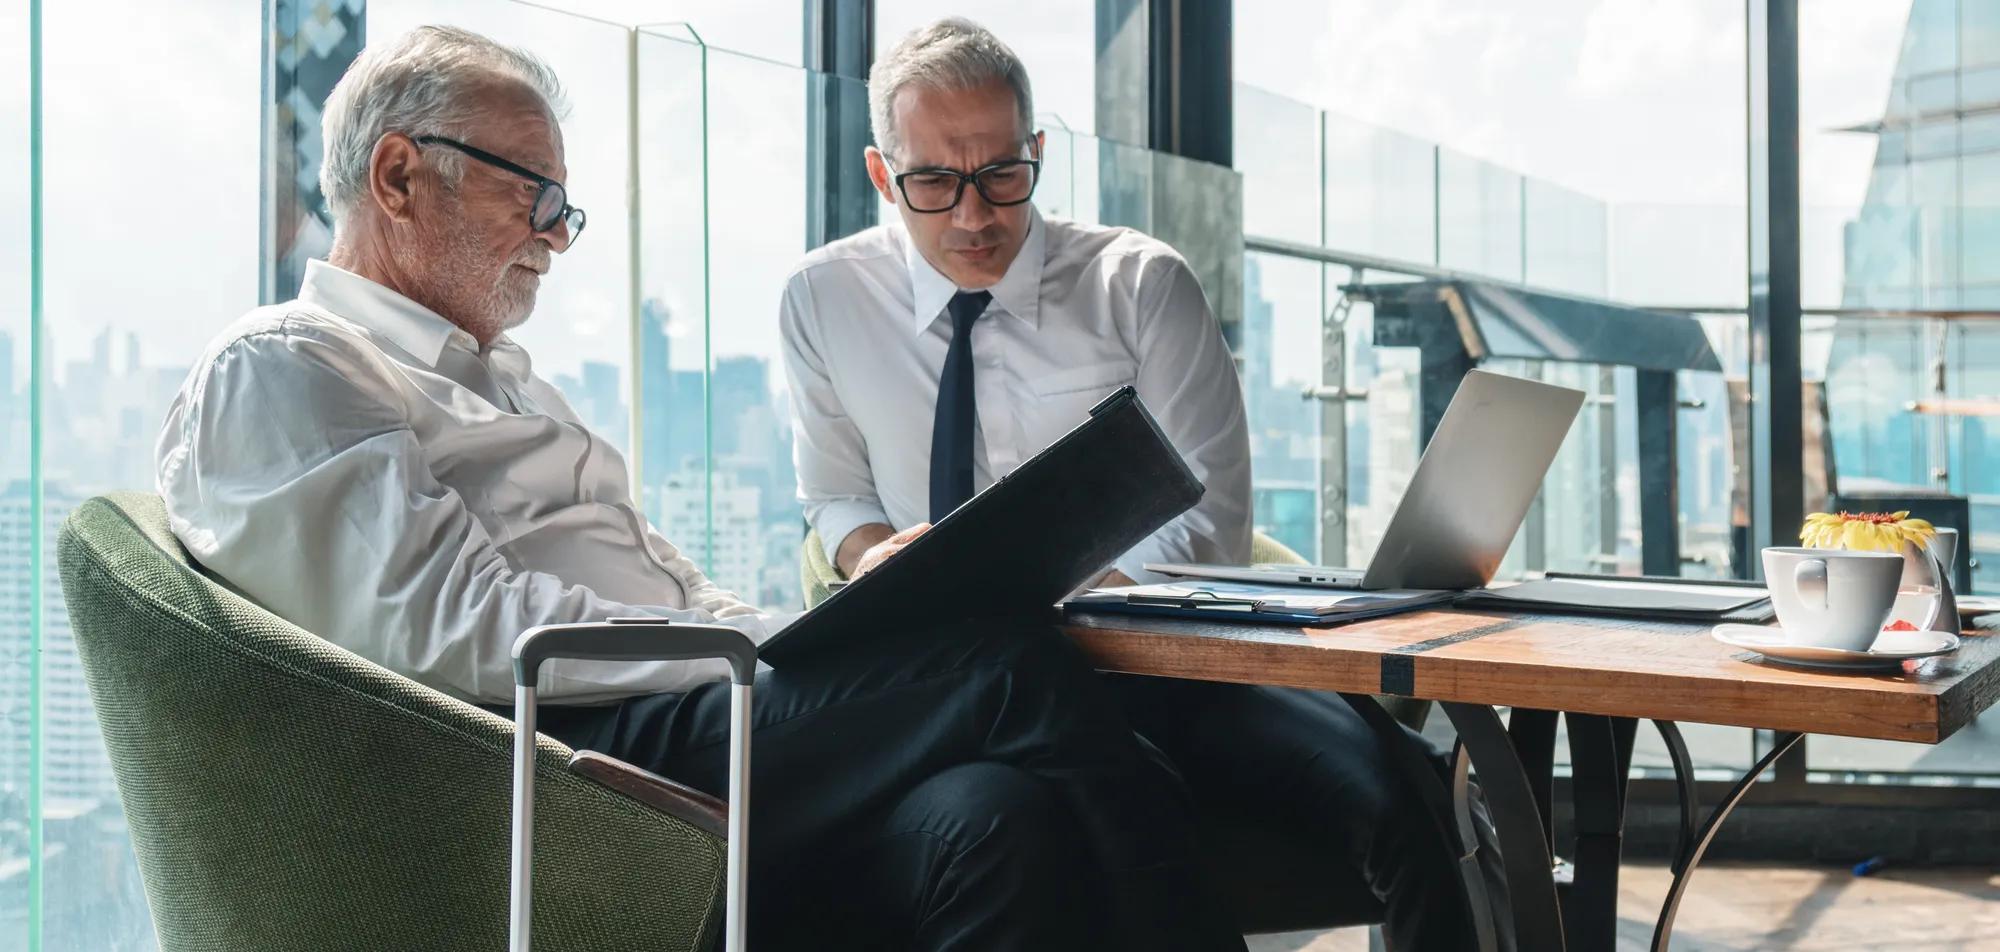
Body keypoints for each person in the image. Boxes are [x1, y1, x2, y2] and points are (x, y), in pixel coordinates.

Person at [155, 25, 1249, 952]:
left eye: (560, 207)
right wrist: (761, 647)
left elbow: (639, 568)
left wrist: (761, 634)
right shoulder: (288, 362)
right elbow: (465, 630)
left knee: (987, 814)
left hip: (672, 703)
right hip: (573, 757)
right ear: (398, 175)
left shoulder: (495, 377)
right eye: (533, 193)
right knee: (1005, 662)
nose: (553, 235)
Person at [782, 17, 1510, 950]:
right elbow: (836, 496)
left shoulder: (1138, 284)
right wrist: (868, 553)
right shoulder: (823, 298)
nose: (974, 216)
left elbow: (1209, 525)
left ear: (1038, 153)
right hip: (969, 694)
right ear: (885, 176)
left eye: (1002, 174)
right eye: (933, 183)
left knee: (1409, 803)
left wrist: (1064, 593)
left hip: (1166, 667)